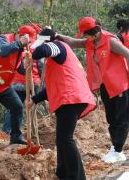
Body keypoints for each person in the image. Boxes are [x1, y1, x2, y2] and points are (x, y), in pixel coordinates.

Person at [57, 17, 129, 163]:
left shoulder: (110, 41)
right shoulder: (90, 42)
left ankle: (118, 150)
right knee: (111, 118)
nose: (85, 37)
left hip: (120, 85)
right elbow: (73, 42)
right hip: (106, 85)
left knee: (122, 119)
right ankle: (116, 148)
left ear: (95, 31)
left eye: (86, 34)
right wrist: (57, 36)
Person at [28, 28, 96, 180]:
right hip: (71, 98)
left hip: (71, 98)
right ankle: (63, 173)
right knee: (61, 138)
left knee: (66, 138)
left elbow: (41, 51)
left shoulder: (58, 46)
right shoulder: (58, 56)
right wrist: (34, 100)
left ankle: (77, 177)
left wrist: (32, 51)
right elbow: (52, 86)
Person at [2, 24, 44, 135]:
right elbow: (38, 66)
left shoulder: (19, 45)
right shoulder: (27, 47)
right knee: (17, 107)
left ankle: (11, 131)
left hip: (26, 82)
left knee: (15, 108)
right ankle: (11, 132)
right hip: (25, 81)